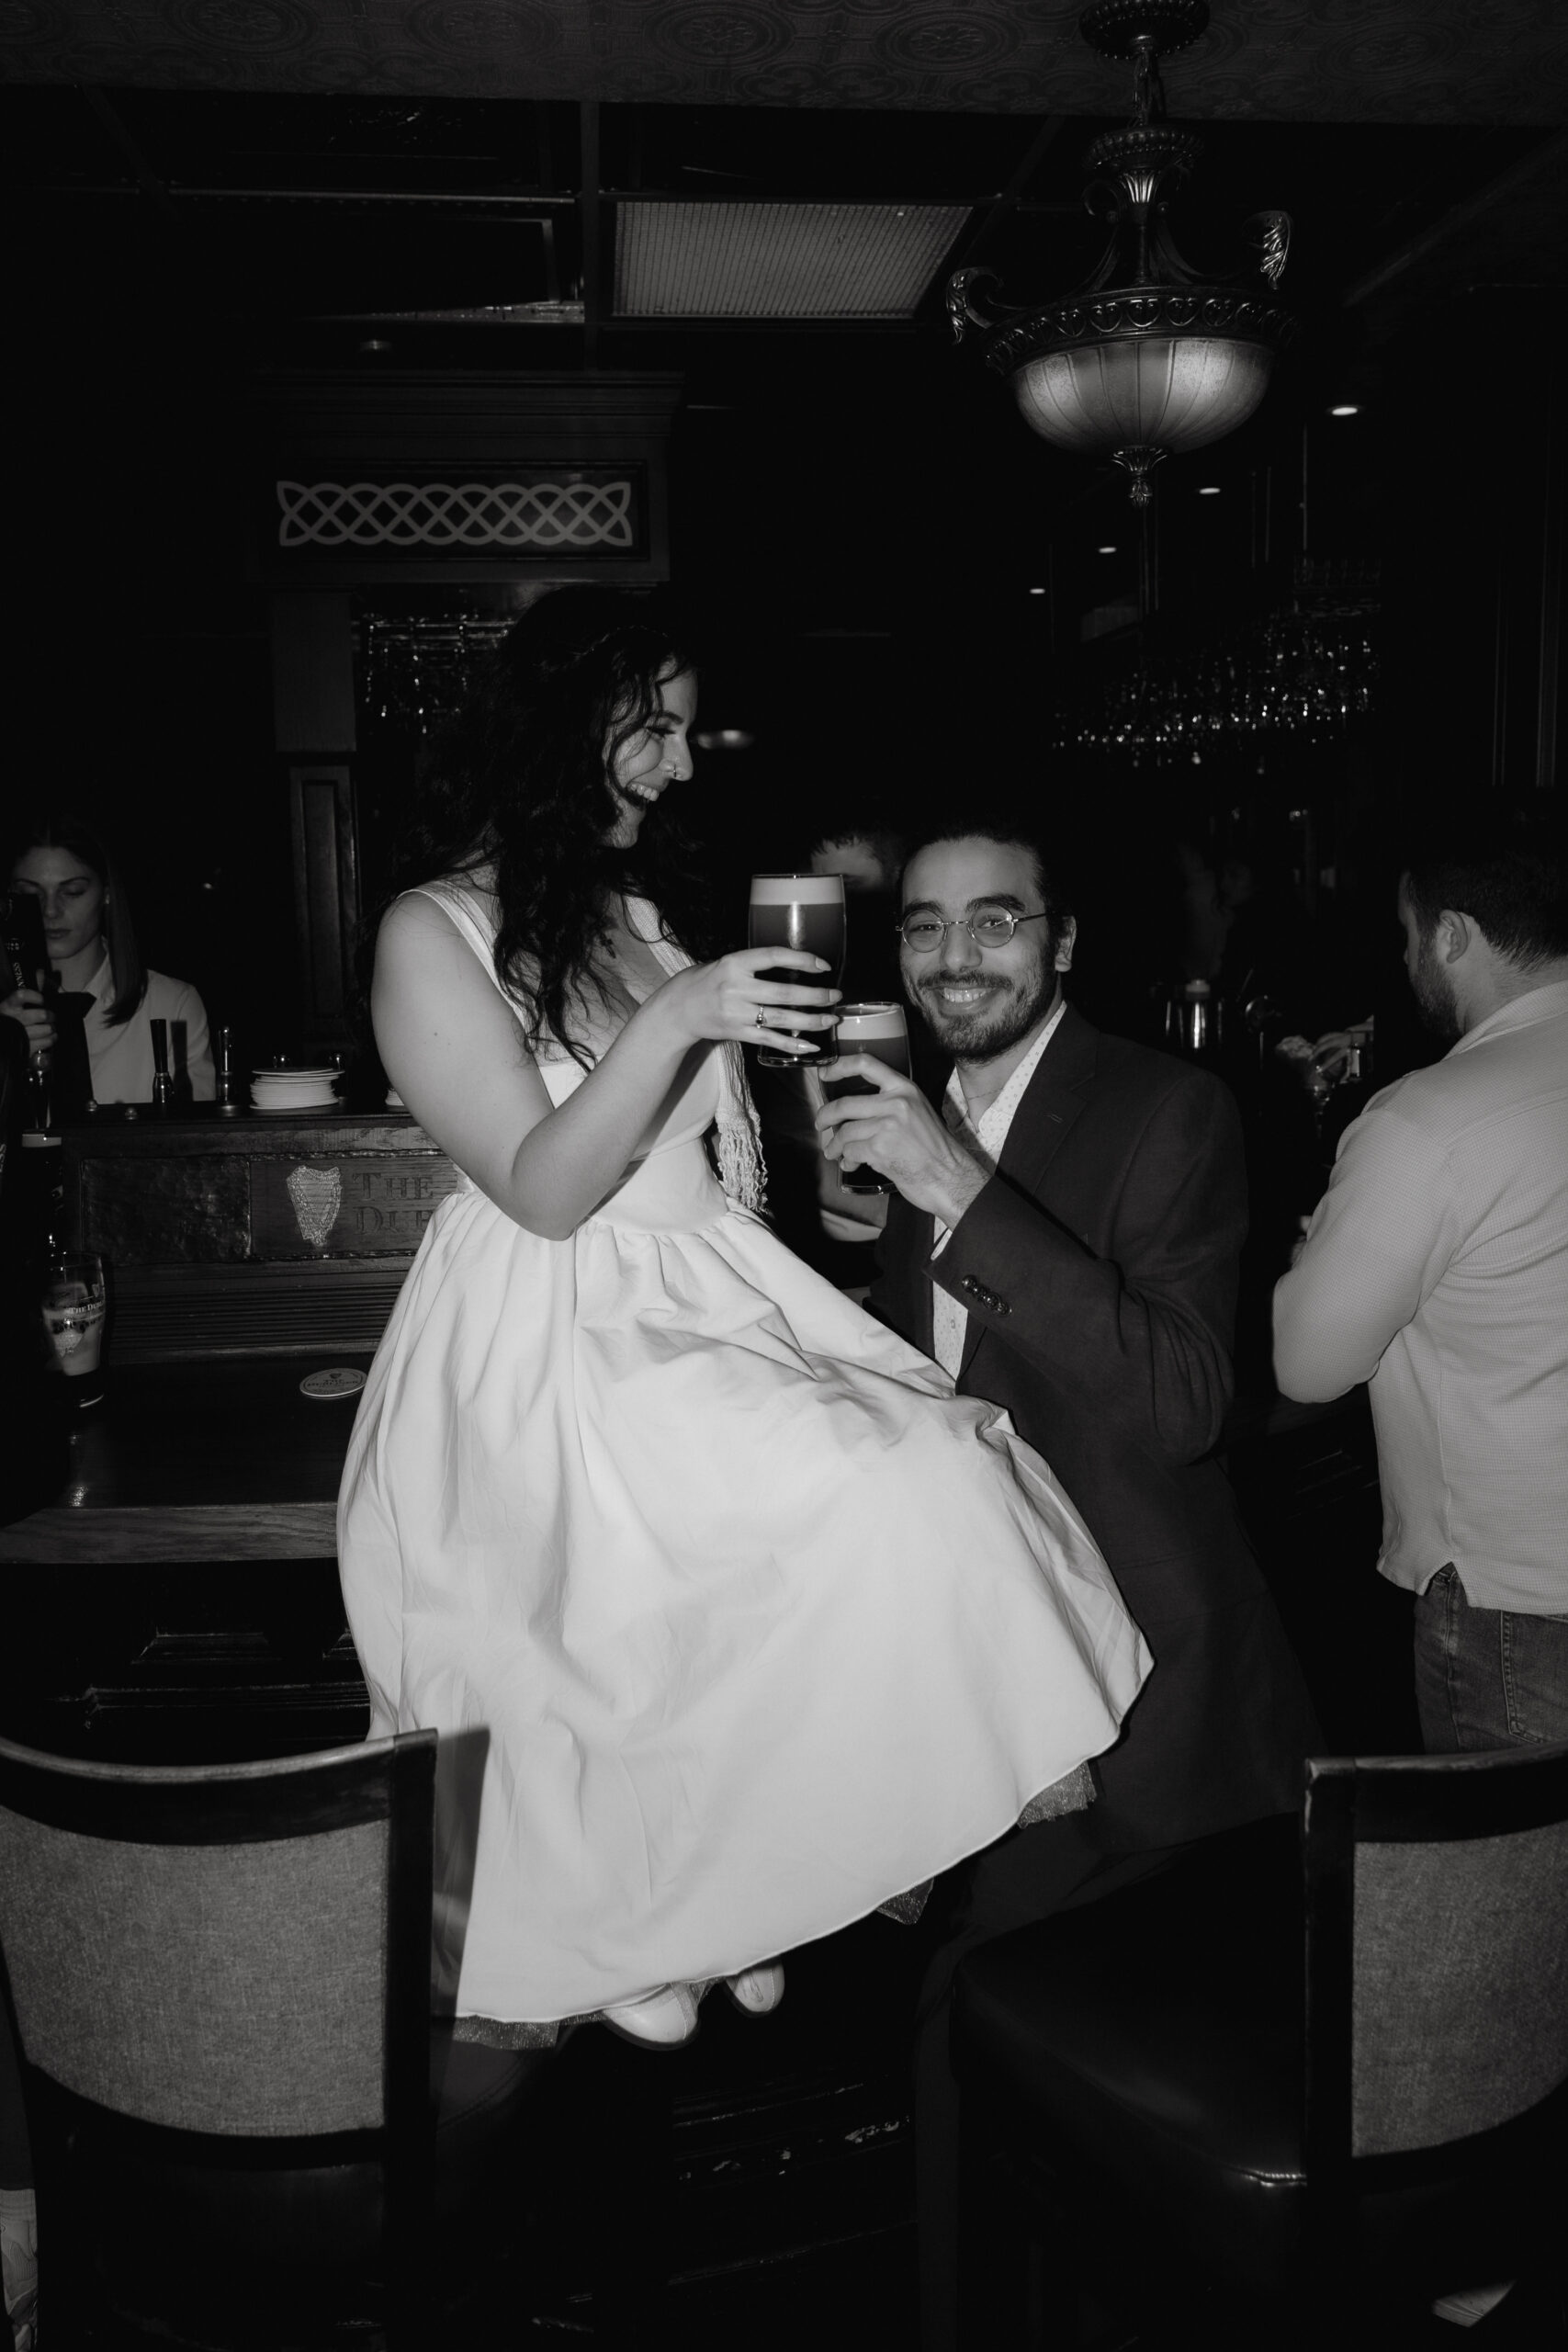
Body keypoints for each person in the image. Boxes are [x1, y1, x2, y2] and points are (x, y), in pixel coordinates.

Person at [336, 592, 1149, 2054]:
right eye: (651, 727)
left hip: (697, 1291)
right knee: (572, 1648)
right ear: (556, 727)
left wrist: (821, 1179)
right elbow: (542, 1189)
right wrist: (684, 1015)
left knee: (928, 1473)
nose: (678, 763)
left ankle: (735, 1898)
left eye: (683, 729)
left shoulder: (639, 921)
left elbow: (698, 1159)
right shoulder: (429, 931)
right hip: (550, 1320)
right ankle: (614, 1932)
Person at [816, 815, 1316, 2348]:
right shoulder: (899, 1114)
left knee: (979, 2042)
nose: (952, 955)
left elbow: (1181, 1401)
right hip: (984, 1675)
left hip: (1148, 1714)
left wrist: (950, 1187)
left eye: (994, 921)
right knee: (973, 2055)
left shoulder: (1166, 1109)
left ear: (1064, 943)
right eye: (922, 926)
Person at [1273, 825, 1568, 1754]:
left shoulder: (1427, 1121)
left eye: (1407, 935)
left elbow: (1307, 1367)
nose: (1404, 961)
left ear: (1450, 934)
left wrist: (1315, 1250)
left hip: (1518, 1596)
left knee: (1519, 1852)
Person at [3, 816, 214, 1106]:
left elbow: (197, 1130)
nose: (50, 910)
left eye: (72, 892)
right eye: (31, 894)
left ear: (106, 894)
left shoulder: (171, 1004)